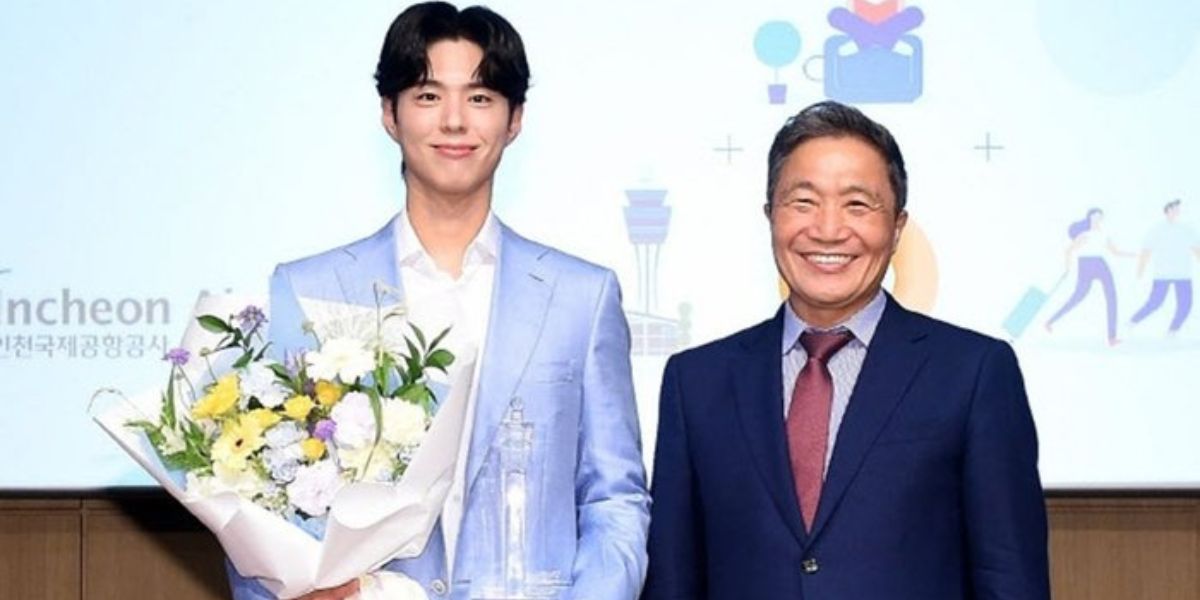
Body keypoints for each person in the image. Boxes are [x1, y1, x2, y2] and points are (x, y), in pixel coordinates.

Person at [228, 3, 649, 598]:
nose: (454, 121)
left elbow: (614, 498)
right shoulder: (308, 289)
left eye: (480, 98)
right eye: (428, 96)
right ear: (389, 115)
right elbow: (259, 501)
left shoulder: (582, 295)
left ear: (515, 119)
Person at [642, 101, 1050, 599]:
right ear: (771, 216)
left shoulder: (973, 373)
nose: (829, 229)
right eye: (804, 202)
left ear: (897, 227)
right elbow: (672, 581)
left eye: (857, 204)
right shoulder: (697, 382)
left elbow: (1009, 579)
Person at [1043, 208, 1134, 345]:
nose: (1097, 220)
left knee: (1111, 297)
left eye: (1099, 217)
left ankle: (1112, 337)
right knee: (1077, 297)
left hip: (1100, 264)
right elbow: (1069, 250)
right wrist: (1067, 268)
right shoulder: (1084, 235)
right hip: (1085, 265)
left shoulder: (1103, 234)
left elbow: (1115, 252)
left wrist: (1134, 255)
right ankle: (1050, 322)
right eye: (1094, 217)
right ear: (1089, 218)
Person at [1130, 199, 1200, 335]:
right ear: (1167, 210)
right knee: (1155, 303)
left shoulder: (1186, 229)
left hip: (1183, 273)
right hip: (1162, 273)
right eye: (1174, 209)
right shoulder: (1157, 229)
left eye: (1178, 209)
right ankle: (1131, 322)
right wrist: (1140, 270)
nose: (1177, 212)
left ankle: (1173, 331)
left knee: (1185, 305)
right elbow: (1146, 251)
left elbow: (1197, 250)